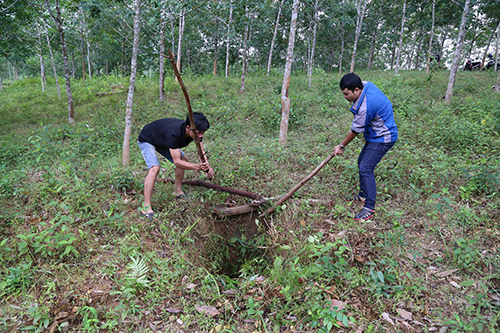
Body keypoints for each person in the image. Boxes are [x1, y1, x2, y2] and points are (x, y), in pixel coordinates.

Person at [334, 73, 398, 221]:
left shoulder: (365, 107)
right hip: (375, 134)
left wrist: (341, 146)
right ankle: (363, 195)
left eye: (346, 94)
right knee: (361, 162)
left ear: (356, 90)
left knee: (365, 167)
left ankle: (369, 207)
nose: (344, 97)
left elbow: (354, 131)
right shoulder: (365, 84)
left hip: (383, 137)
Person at [137, 112, 214, 219]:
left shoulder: (196, 134)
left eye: (203, 132)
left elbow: (200, 151)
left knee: (184, 159)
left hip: (163, 141)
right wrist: (197, 167)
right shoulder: (174, 134)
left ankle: (177, 191)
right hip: (148, 139)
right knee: (155, 168)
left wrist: (207, 165)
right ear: (188, 128)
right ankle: (146, 208)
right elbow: (177, 162)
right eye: (199, 132)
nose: (201, 135)